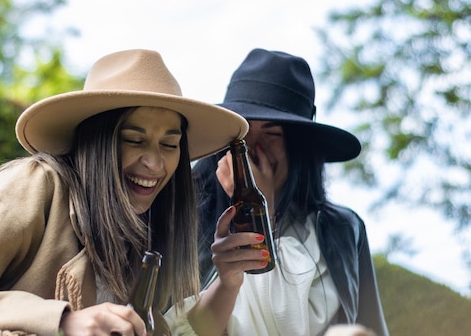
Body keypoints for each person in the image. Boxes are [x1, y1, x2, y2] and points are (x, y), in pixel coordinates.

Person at [0, 49, 248, 336]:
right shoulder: (35, 185)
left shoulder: (143, 237)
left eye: (169, 145)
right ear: (97, 143)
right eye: (134, 140)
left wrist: (228, 278)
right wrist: (63, 321)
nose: (154, 163)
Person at [166, 49, 389, 336]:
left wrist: (262, 207)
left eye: (273, 134)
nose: (253, 149)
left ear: (299, 147)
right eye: (243, 133)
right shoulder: (185, 218)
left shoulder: (343, 228)